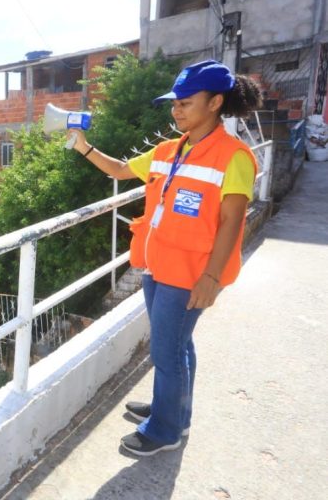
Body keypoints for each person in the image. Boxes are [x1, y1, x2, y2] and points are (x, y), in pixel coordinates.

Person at [69, 59, 262, 456]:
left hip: (192, 273)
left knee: (165, 350)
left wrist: (210, 277)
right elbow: (122, 170)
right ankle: (173, 411)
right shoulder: (168, 150)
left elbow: (231, 221)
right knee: (178, 345)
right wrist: (82, 146)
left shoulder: (233, 156)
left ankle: (164, 430)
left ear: (215, 103)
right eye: (174, 104)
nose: (177, 111)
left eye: (186, 103)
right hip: (159, 265)